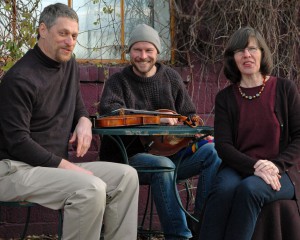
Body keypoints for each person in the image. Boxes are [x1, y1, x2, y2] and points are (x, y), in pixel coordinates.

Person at [0, 3, 139, 240]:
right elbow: (17, 142)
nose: (70, 41)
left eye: (74, 35)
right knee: (90, 187)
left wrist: (84, 119)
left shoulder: (68, 64)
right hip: (13, 170)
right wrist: (69, 168)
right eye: (63, 33)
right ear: (43, 30)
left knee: (126, 177)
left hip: (52, 167)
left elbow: (77, 104)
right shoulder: (20, 79)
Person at [98, 23, 221, 240]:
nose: (143, 56)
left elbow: (189, 114)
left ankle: (200, 225)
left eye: (149, 50)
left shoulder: (170, 78)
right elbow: (110, 111)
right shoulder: (118, 81)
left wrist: (197, 130)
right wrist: (156, 118)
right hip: (129, 158)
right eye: (137, 49)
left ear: (157, 52)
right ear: (129, 52)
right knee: (164, 167)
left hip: (171, 154)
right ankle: (179, 236)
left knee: (213, 153)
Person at [199, 26, 300, 240]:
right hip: (239, 166)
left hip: (281, 170)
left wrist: (276, 165)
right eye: (239, 51)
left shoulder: (284, 89)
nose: (247, 55)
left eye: (252, 49)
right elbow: (223, 146)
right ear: (232, 58)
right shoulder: (225, 97)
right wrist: (254, 166)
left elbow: (299, 137)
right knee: (223, 191)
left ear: (262, 53)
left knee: (250, 190)